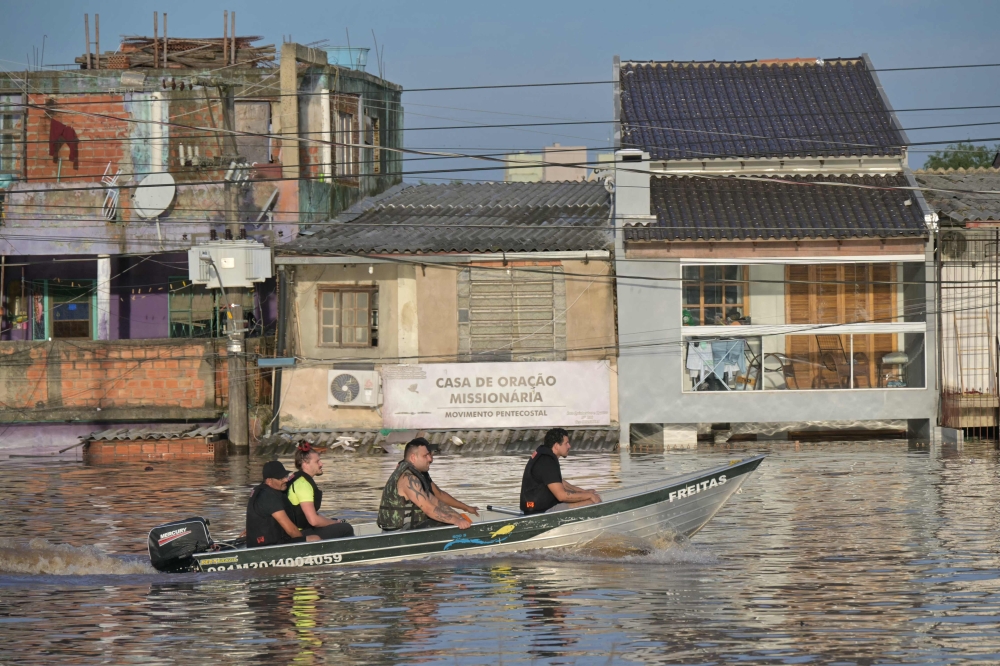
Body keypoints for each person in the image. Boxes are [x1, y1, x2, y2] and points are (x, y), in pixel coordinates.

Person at [377, 438, 474, 531]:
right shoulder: (408, 478)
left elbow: (435, 501)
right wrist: (456, 521)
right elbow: (428, 508)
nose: (430, 459)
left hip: (409, 528)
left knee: (446, 520)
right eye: (425, 456)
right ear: (413, 458)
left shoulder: (416, 474)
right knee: (444, 523)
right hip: (399, 531)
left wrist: (459, 517)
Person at [520, 428, 601, 515]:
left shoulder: (544, 456)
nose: (569, 446)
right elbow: (562, 496)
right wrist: (590, 496)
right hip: (542, 512)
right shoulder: (547, 462)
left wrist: (583, 492)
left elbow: (559, 483)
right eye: (566, 443)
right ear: (556, 446)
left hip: (538, 508)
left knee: (589, 497)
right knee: (593, 502)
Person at [246, 460, 321, 548]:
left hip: (261, 542)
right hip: (269, 545)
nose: (286, 479)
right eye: (280, 478)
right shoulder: (269, 497)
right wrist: (302, 544)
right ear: (269, 481)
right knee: (315, 539)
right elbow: (291, 530)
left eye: (285, 476)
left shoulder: (260, 491)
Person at [287, 442, 355, 540]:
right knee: (346, 528)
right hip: (300, 532)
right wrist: (335, 523)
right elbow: (313, 521)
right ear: (305, 464)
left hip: (302, 528)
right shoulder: (303, 484)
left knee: (334, 522)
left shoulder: (297, 478)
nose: (321, 464)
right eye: (317, 461)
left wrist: (331, 521)